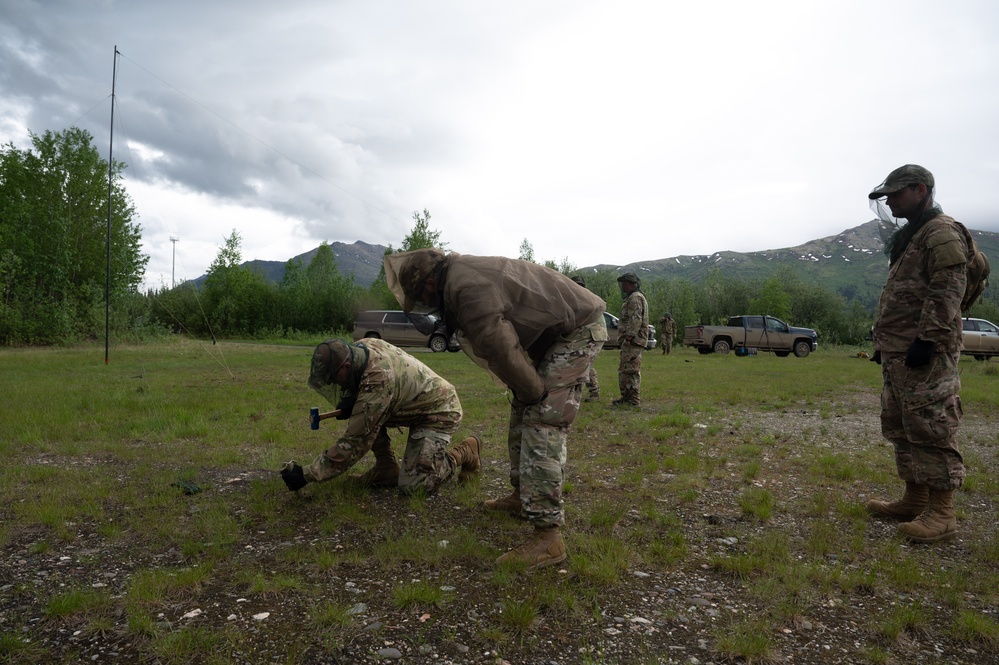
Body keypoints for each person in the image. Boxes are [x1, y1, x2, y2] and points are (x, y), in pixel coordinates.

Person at [383, 249, 607, 569]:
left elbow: (501, 344)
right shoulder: (459, 277)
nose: (423, 301)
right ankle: (521, 498)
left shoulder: (466, 287)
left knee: (542, 419)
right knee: (523, 405)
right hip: (557, 334)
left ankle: (548, 537)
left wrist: (533, 391)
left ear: (430, 283)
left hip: (579, 330)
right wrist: (526, 390)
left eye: (420, 294)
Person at [866, 164, 969, 543]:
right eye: (886, 195)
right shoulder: (913, 235)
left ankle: (942, 513)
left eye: (895, 193)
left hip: (926, 351)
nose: (889, 201)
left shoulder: (940, 232)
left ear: (920, 190)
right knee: (901, 424)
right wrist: (885, 342)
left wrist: (927, 340)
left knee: (931, 426)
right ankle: (915, 498)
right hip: (898, 351)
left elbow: (948, 289)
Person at [280, 338, 481, 496]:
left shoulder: (378, 381)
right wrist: (355, 399)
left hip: (439, 410)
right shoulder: (362, 347)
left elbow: (354, 442)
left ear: (346, 367)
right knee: (367, 412)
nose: (334, 383)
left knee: (416, 485)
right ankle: (386, 468)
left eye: (333, 377)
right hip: (408, 402)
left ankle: (464, 452)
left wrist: (307, 474)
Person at [612, 273, 648, 407]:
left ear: (631, 284)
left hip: (634, 341)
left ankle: (633, 400)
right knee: (625, 369)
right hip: (632, 340)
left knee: (631, 370)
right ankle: (626, 397)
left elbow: (635, 319)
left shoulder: (635, 298)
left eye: (624, 283)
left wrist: (629, 336)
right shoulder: (633, 297)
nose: (622, 286)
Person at [571, 275, 601, 402]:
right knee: (584, 362)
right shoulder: (589, 296)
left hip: (589, 334)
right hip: (593, 333)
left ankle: (592, 392)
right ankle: (590, 391)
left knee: (584, 363)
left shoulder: (582, 298)